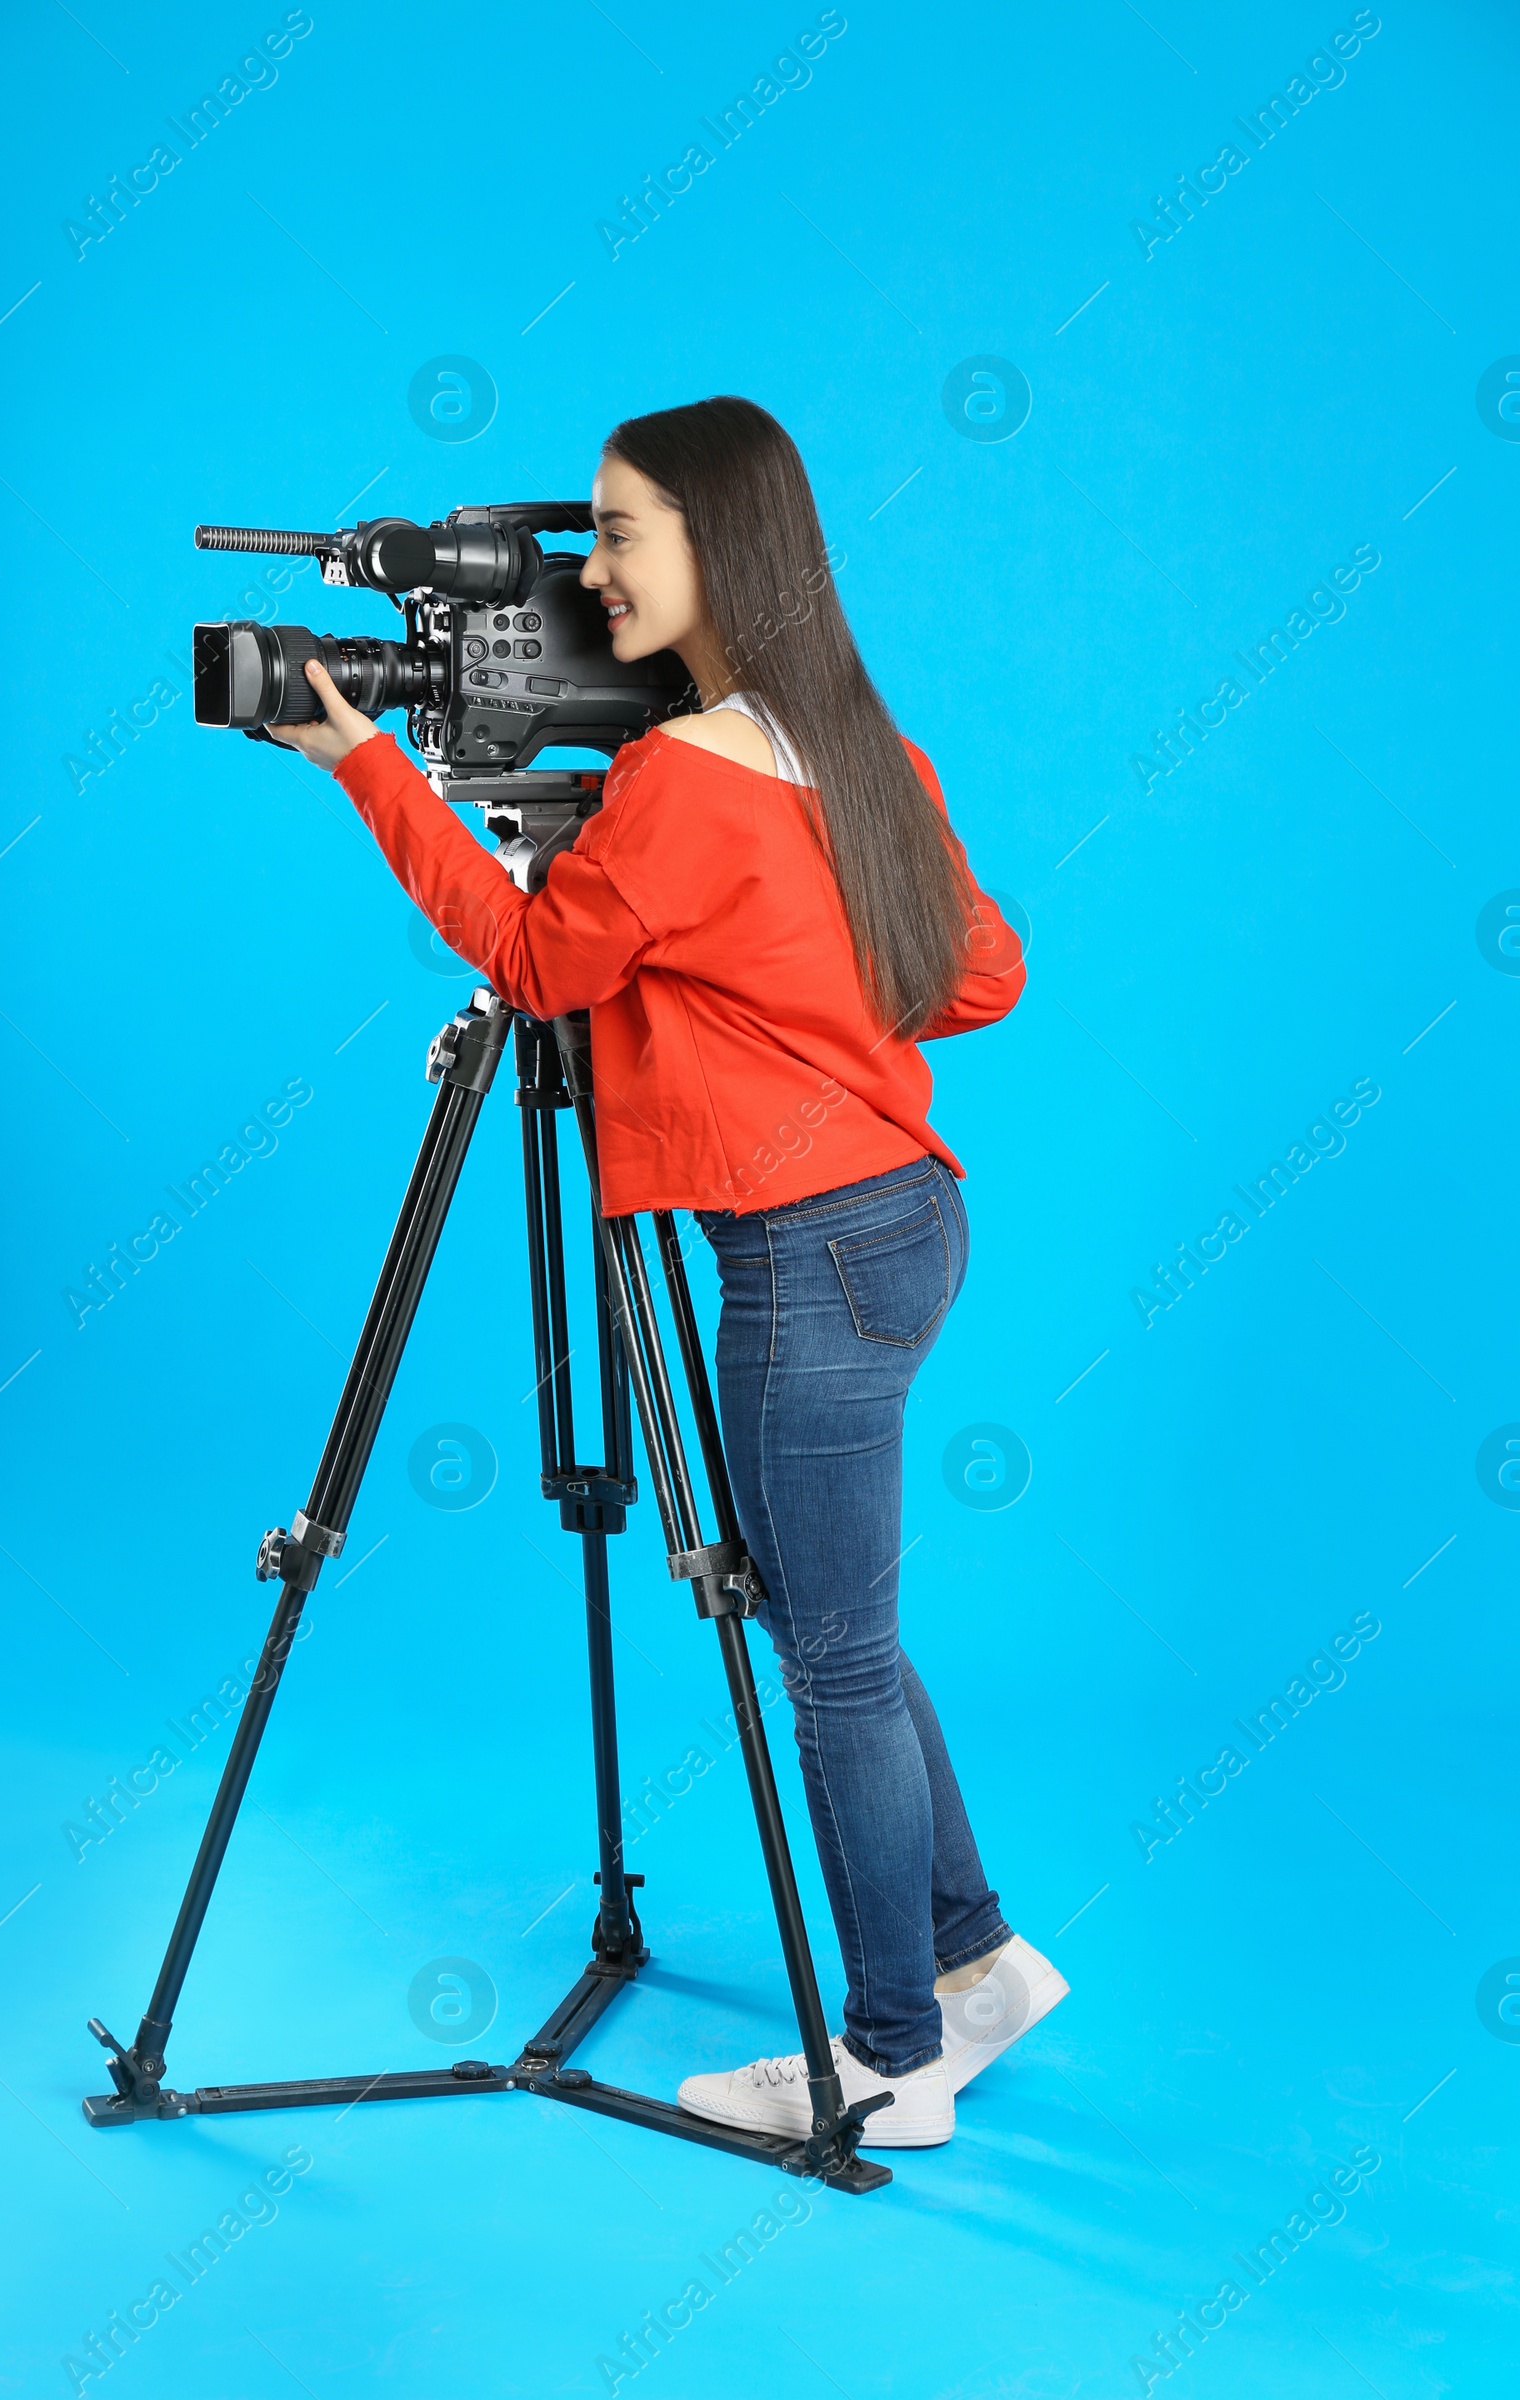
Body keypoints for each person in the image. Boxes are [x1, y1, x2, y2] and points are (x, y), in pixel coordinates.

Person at [272, 394, 1067, 2147]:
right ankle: (973, 1963)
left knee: (833, 1659)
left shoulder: (678, 780)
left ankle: (887, 2058)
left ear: (729, 552)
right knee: (839, 1626)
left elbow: (538, 962)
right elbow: (978, 977)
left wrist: (360, 765)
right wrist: (773, 985)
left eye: (623, 534)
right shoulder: (860, 750)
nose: (591, 570)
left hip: (802, 1262)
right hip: (906, 1224)